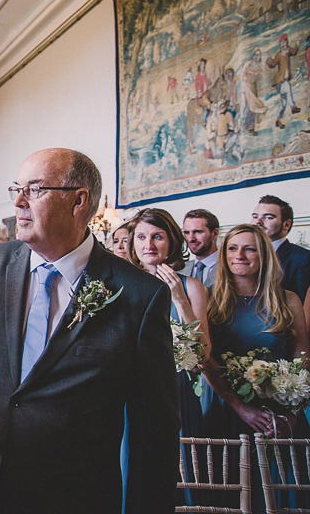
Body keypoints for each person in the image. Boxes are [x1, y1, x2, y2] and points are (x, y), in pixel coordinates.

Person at [0, 148, 178, 514]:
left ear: (78, 201)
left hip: (75, 493)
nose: (18, 202)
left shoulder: (138, 294)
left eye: (33, 190)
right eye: (16, 189)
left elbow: (153, 426)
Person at [202, 225, 309, 513]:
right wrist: (239, 406)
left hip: (280, 414)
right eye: (233, 248)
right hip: (227, 410)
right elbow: (204, 361)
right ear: (223, 255)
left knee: (284, 495)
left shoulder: (288, 300)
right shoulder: (209, 299)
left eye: (249, 248)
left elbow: (303, 360)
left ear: (264, 255)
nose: (240, 255)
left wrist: (293, 414)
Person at [129, 208, 211, 505]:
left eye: (157, 236)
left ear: (171, 241)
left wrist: (179, 298)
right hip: (131, 392)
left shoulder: (192, 287)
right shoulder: (123, 283)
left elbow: (202, 354)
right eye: (141, 236)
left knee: (182, 474)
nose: (148, 244)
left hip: (177, 392)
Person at [252, 195, 310, 303]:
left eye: (268, 217)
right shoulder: (243, 255)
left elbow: (304, 306)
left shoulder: (303, 258)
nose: (258, 221)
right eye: (255, 217)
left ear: (286, 224)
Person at [266, 33, 300, 128]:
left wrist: (298, 42)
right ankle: (293, 107)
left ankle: (277, 120)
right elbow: (272, 64)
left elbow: (294, 52)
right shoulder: (279, 54)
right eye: (281, 44)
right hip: (279, 83)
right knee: (287, 86)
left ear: (287, 43)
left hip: (284, 81)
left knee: (283, 104)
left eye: (284, 43)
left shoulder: (288, 51)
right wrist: (268, 58)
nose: (283, 45)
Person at [182, 208, 220, 287]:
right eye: (187, 233)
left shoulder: (231, 267)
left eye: (198, 232)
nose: (191, 238)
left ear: (215, 233)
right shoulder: (180, 269)